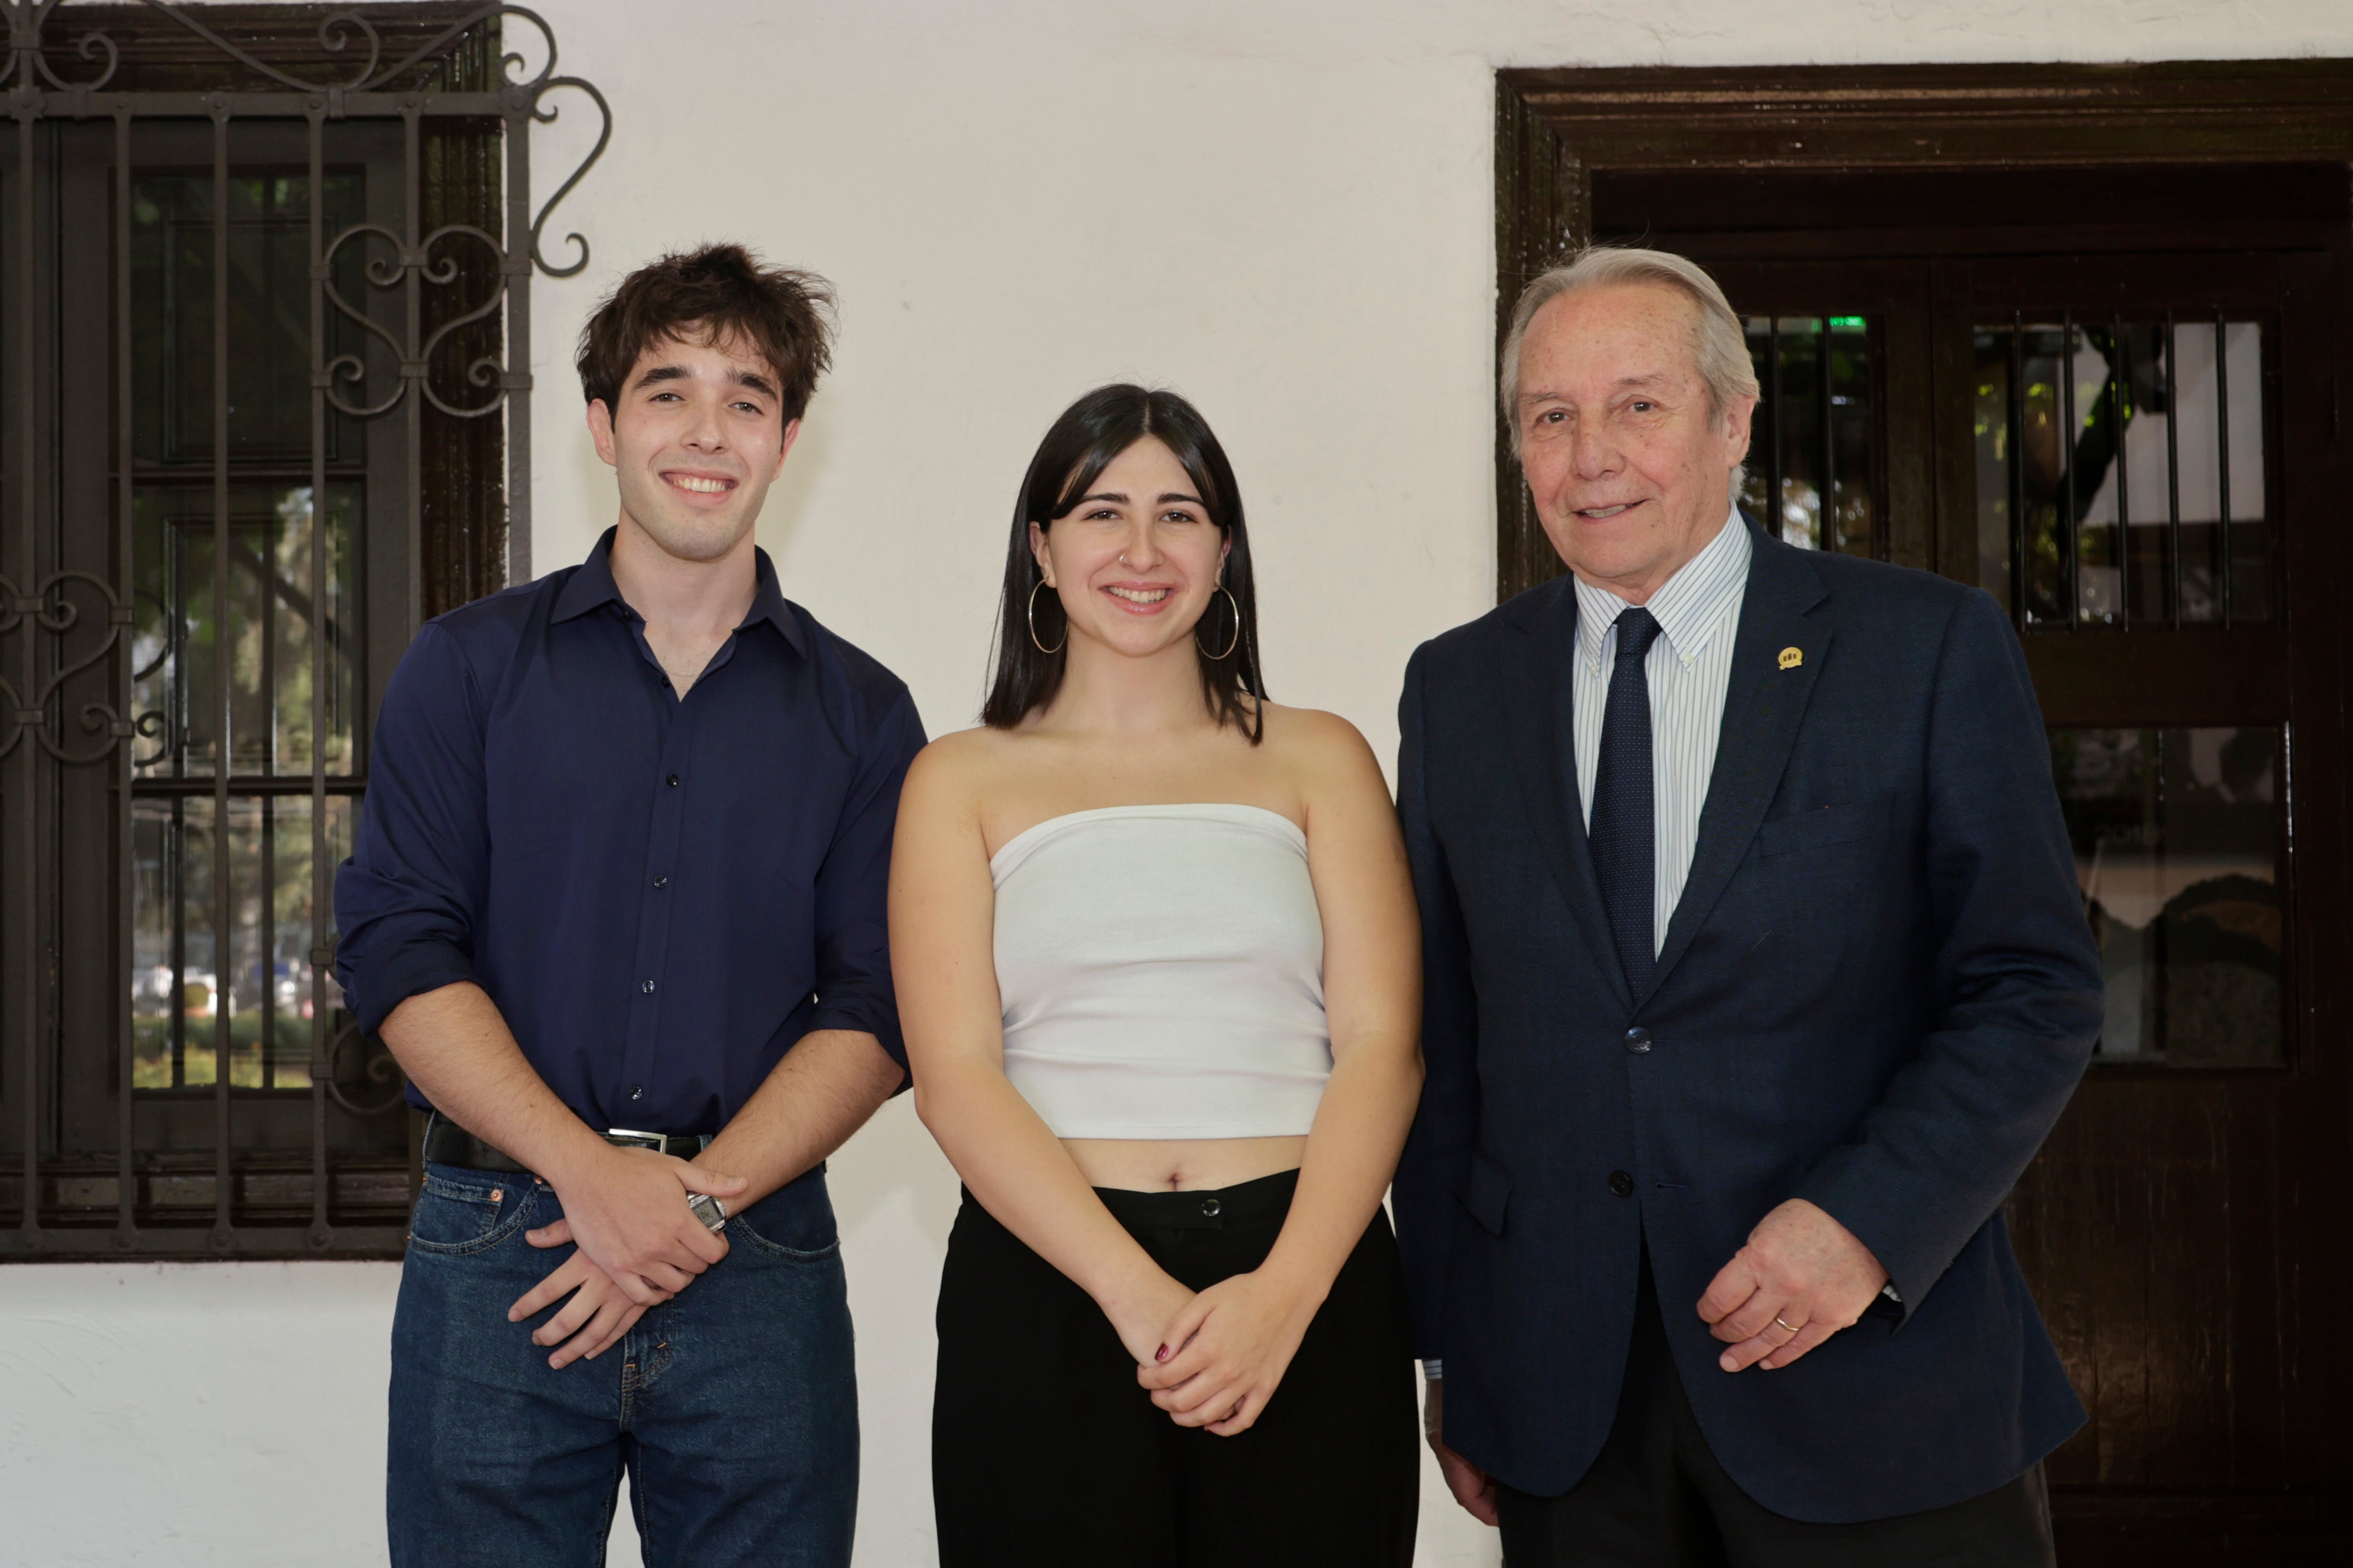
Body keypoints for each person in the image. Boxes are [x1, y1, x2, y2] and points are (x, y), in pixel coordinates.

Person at [1394, 248, 2104, 1565]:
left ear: (1733, 419)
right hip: (1565, 1404)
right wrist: (1454, 1347)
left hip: (1870, 1374)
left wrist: (1864, 1222)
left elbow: (2033, 986)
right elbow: (1445, 1040)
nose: (1592, 455)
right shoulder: (1456, 688)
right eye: (1551, 416)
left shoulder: (1923, 646)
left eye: (1638, 404)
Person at [334, 243, 923, 1568]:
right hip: (503, 1250)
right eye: (669, 392)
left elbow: (882, 1005)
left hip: (756, 1255)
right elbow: (399, 946)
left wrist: (690, 1206)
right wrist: (595, 1178)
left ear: (787, 441)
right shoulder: (466, 669)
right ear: (603, 424)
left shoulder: (865, 714)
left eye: (747, 398)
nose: (708, 431)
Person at [890, 384, 1424, 1566]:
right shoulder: (958, 777)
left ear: (1223, 549)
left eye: (1179, 514)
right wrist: (1136, 1296)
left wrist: (1283, 1295)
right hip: (1050, 1279)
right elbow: (955, 1074)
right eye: (1102, 513)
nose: (1142, 550)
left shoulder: (1321, 756)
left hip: (1304, 1272)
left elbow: (1383, 1045)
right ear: (1042, 548)